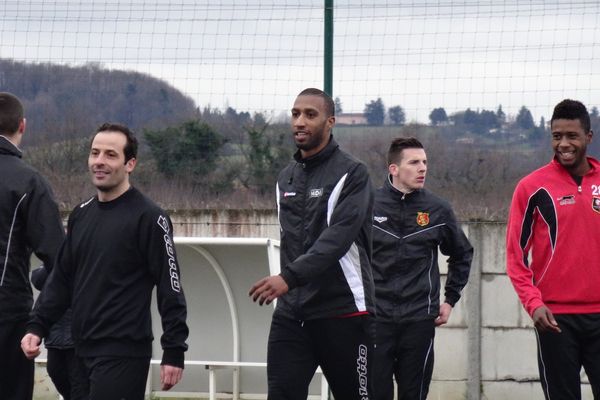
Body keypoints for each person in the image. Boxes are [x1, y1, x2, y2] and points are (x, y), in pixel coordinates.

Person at [21, 122, 189, 400]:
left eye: (110, 155)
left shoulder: (149, 217)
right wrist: (37, 326)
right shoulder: (81, 214)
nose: (99, 161)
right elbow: (62, 280)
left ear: (130, 163)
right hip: (80, 348)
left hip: (123, 351)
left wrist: (174, 349)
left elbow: (170, 285)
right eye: (94, 153)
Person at [249, 88, 375, 400]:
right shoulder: (286, 178)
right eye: (295, 114)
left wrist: (288, 278)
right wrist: (291, 287)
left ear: (330, 121)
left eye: (310, 114)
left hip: (344, 311)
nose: (300, 121)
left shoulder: (353, 173)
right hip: (293, 313)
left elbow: (336, 241)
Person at [506, 99, 600, 399]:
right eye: (557, 136)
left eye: (572, 136)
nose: (564, 144)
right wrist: (533, 304)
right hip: (555, 320)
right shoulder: (531, 187)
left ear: (588, 136)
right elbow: (515, 256)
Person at [371, 137, 473, 400]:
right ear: (393, 168)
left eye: (425, 162)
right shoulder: (368, 205)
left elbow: (462, 253)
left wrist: (450, 300)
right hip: (374, 319)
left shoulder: (437, 209)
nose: (422, 168)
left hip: (418, 319)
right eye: (414, 162)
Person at [0, 92, 65, 400]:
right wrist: (43, 319)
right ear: (22, 126)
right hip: (8, 312)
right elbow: (59, 257)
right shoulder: (29, 182)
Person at [30, 265, 86, 399]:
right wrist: (56, 263)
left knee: (79, 384)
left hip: (77, 337)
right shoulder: (54, 260)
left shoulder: (82, 263)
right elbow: (37, 279)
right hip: (54, 335)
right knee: (55, 372)